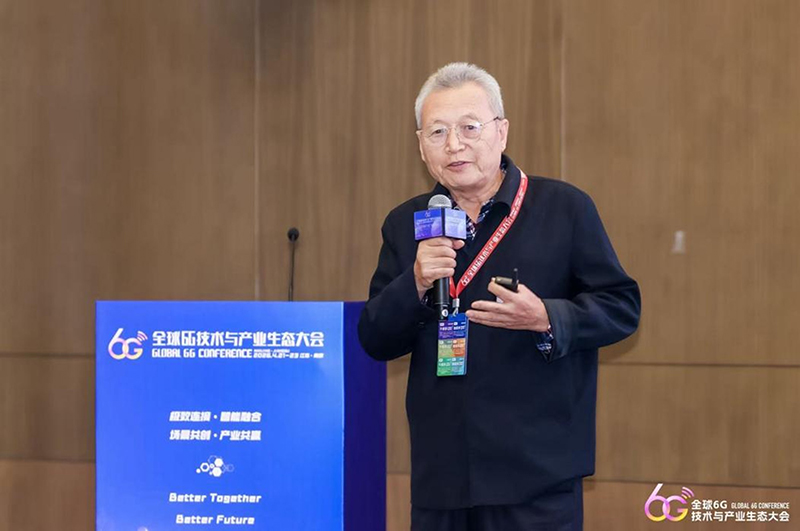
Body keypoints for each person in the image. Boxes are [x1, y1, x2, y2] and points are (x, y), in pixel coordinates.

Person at [358, 62, 641, 531]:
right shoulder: (406, 222)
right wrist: (416, 283)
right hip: (442, 477)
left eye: (470, 127)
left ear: (501, 132)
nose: (454, 144)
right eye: (438, 132)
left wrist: (546, 317)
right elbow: (375, 337)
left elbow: (622, 307)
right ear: (421, 146)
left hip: (536, 477)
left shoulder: (564, 208)